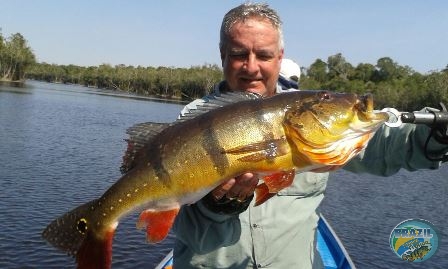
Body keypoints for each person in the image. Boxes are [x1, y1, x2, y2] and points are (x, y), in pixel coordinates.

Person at [172, 3, 448, 268]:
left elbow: (389, 146)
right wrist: (216, 205)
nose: (252, 67)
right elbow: (173, 203)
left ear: (280, 58)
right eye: (239, 54)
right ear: (223, 55)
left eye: (264, 55)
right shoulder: (193, 120)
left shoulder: (312, 116)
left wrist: (438, 134)